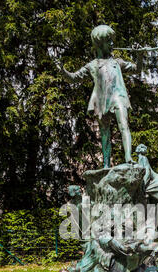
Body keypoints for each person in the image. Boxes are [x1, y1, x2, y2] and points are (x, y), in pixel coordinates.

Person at [62, 25, 145, 168]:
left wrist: (139, 55)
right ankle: (106, 164)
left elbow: (137, 69)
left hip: (119, 96)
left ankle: (128, 158)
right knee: (105, 133)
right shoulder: (92, 65)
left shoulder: (117, 62)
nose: (112, 44)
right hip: (101, 101)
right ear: (100, 44)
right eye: (109, 41)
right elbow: (73, 78)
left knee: (123, 124)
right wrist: (61, 70)